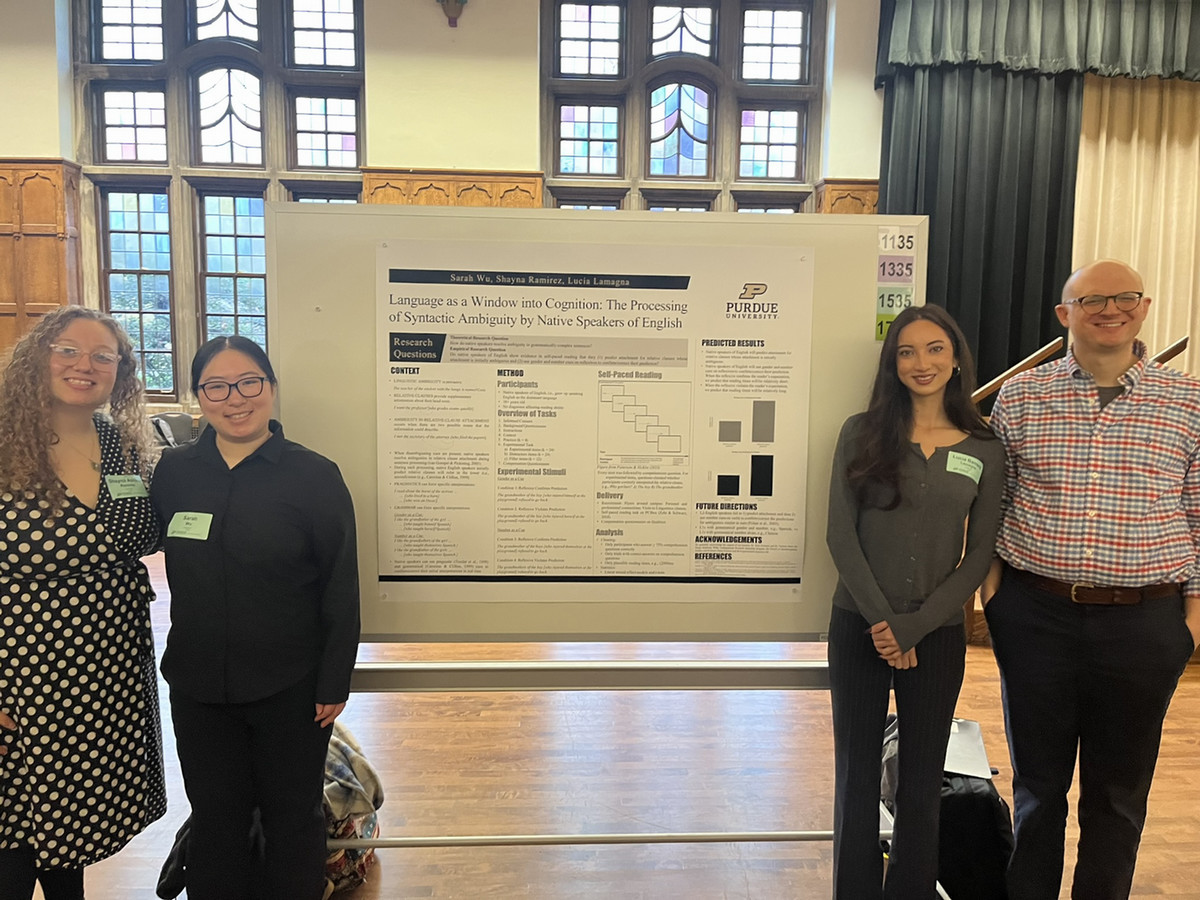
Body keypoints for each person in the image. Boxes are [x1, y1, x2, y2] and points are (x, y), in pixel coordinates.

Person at [983, 259, 1200, 899]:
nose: (1111, 309)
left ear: (1145, 306)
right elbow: (995, 505)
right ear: (1064, 314)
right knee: (1037, 788)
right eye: (1092, 299)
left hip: (1146, 623)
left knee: (1119, 793)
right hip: (1036, 616)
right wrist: (996, 600)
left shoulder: (1187, 402)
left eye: (1125, 297)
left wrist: (1190, 623)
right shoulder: (1022, 398)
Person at [150, 335, 360, 900]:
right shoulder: (173, 473)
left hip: (290, 687)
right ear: (199, 396)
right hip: (198, 685)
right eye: (215, 386)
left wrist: (334, 679)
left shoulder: (314, 475)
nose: (234, 398)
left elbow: (341, 583)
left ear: (270, 388)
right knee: (216, 821)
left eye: (249, 382)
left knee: (294, 819)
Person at [825, 303, 1005, 899]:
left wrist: (917, 625)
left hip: (937, 634)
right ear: (891, 363)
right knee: (854, 776)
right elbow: (840, 537)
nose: (920, 362)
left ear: (955, 359)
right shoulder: (860, 431)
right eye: (906, 351)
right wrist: (884, 623)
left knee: (922, 781)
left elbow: (979, 555)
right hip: (859, 626)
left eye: (933, 349)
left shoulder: (984, 446)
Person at [0, 306, 166, 900]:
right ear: (37, 356)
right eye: (68, 349)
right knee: (15, 834)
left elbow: (141, 538)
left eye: (103, 355)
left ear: (119, 372)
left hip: (107, 672)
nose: (84, 365)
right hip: (22, 673)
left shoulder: (118, 441)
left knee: (71, 825)